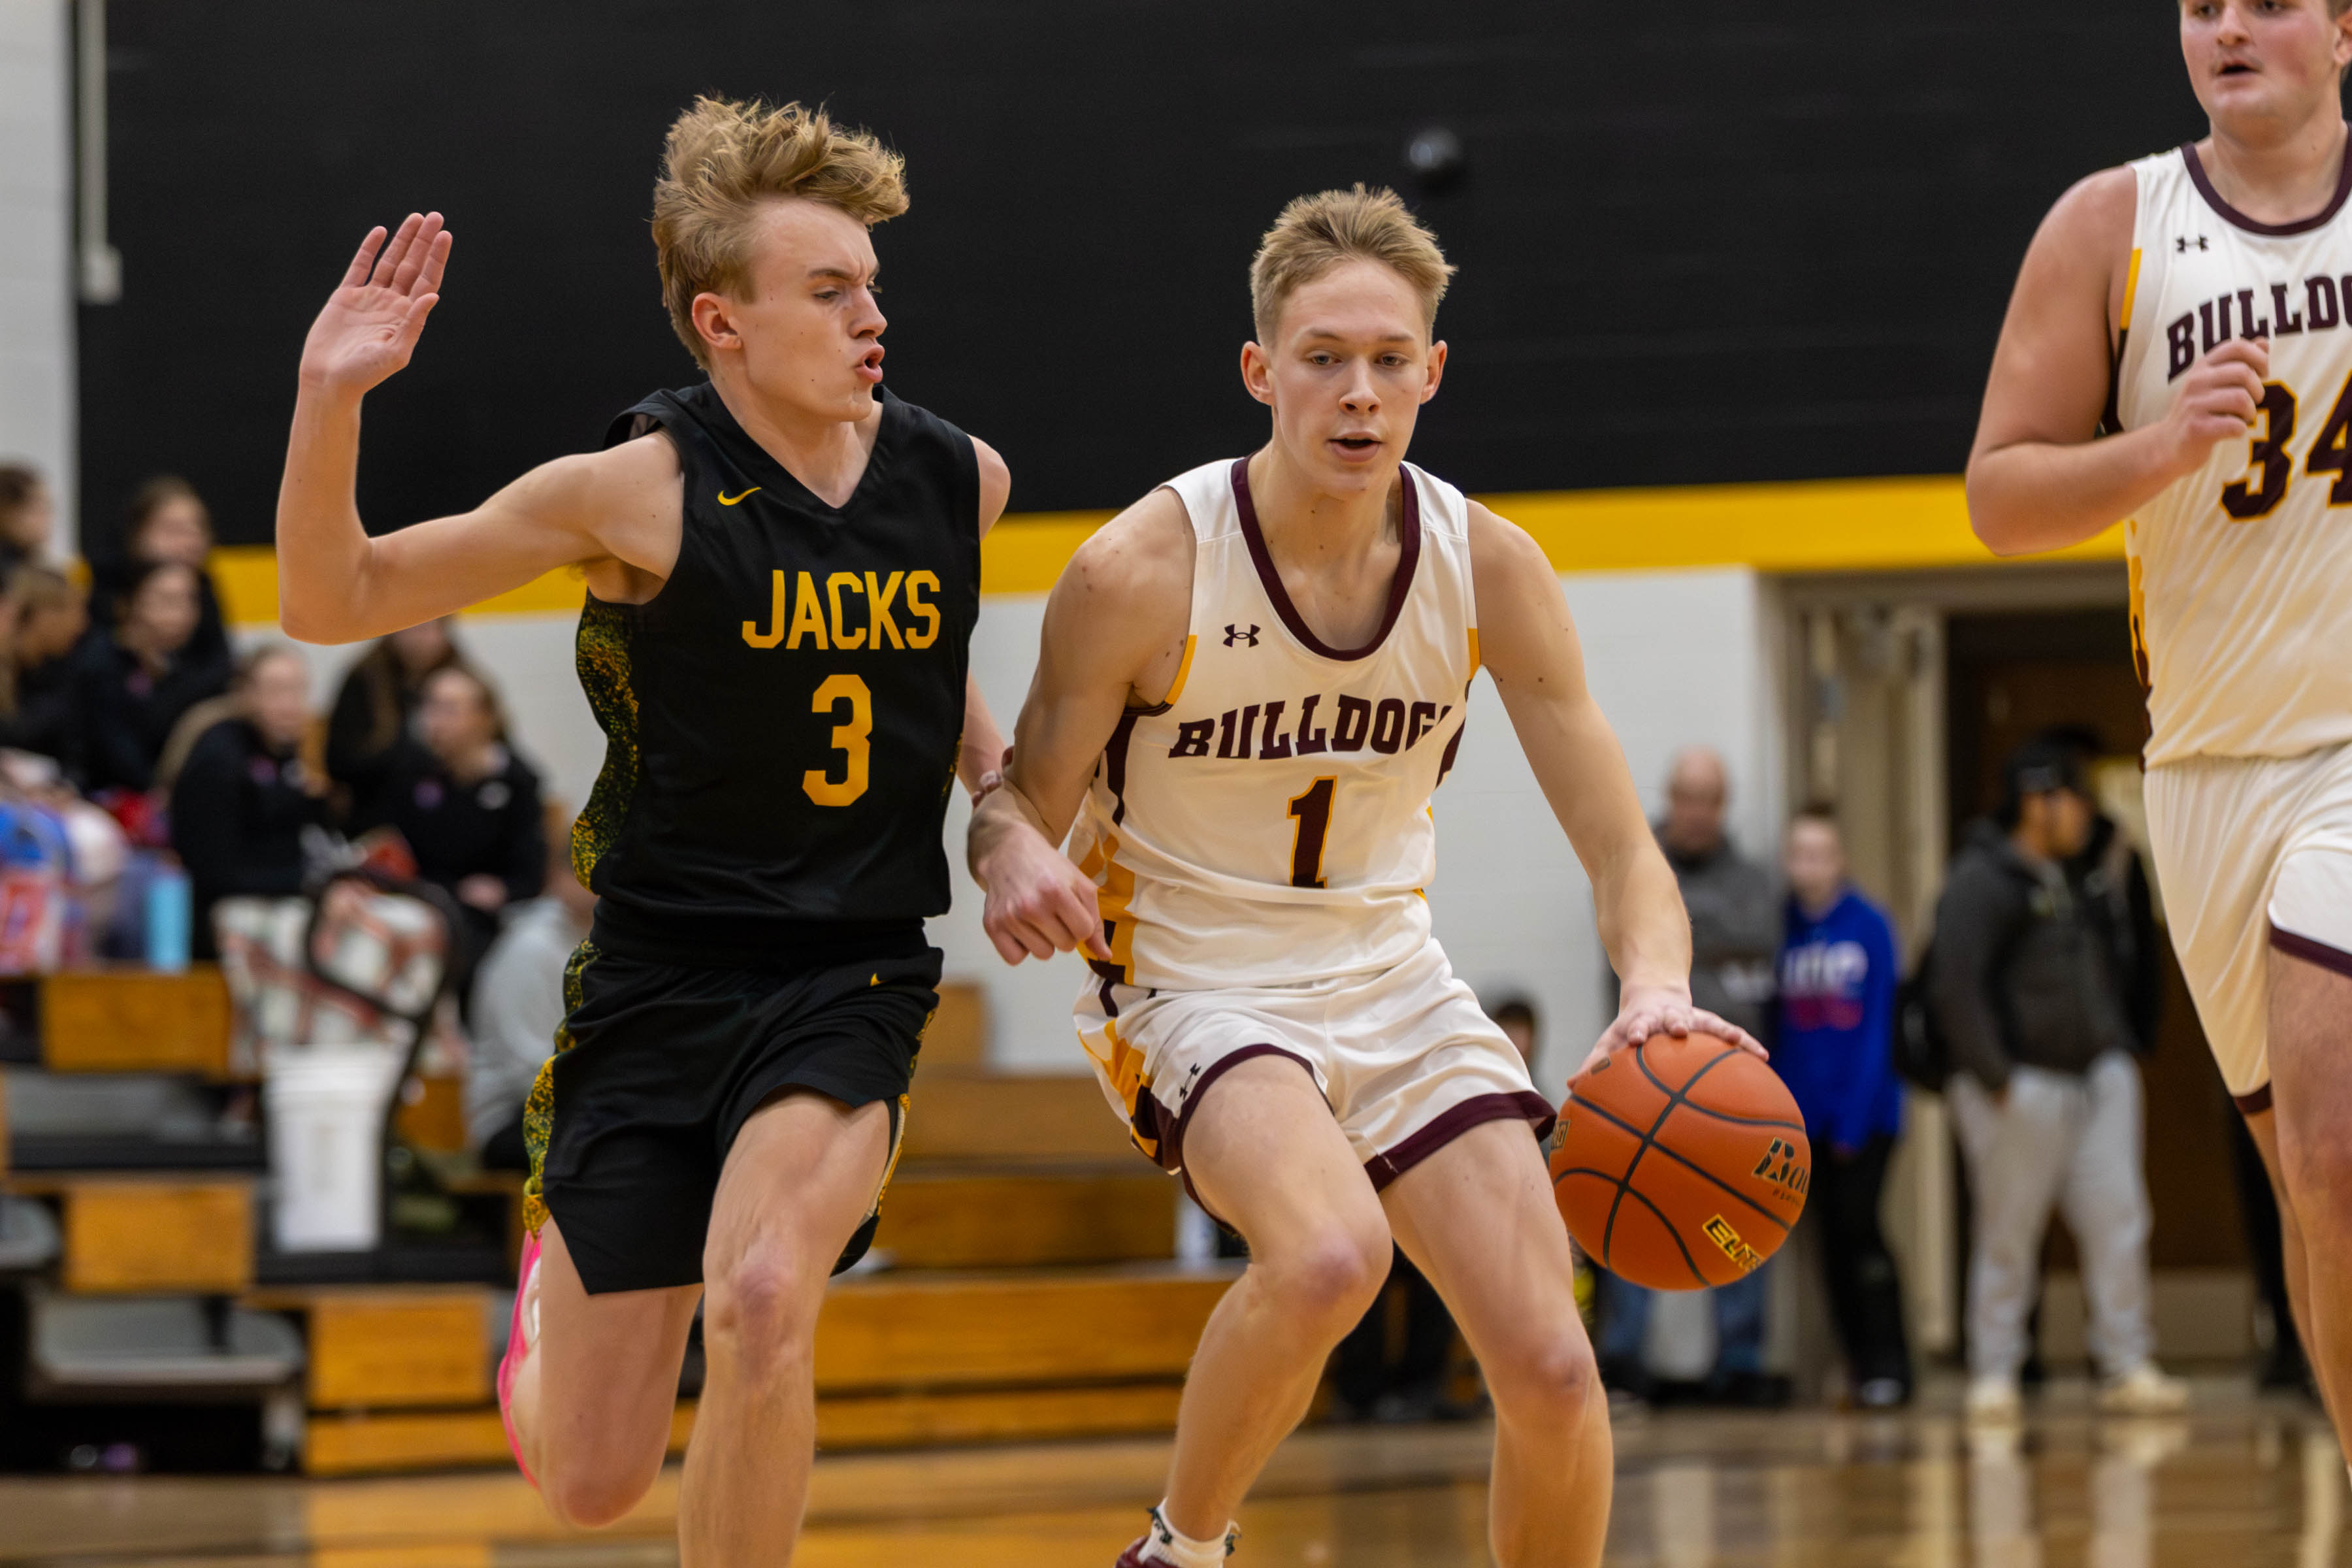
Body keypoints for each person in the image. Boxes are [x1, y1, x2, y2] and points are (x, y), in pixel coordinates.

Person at [968, 186, 1755, 1568]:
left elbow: (1624, 846)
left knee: (1558, 1371)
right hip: (1187, 979)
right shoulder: (1141, 568)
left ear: (1432, 374)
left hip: (1391, 973)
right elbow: (1015, 803)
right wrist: (1013, 850)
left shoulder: (1488, 565)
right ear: (1260, 372)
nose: (1358, 392)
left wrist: (1659, 988)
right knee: (1333, 1258)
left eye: (1391, 360)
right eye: (1324, 357)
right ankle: (1182, 1550)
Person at [273, 97, 1007, 1563]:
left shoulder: (955, 479)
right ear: (722, 323)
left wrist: (1009, 809)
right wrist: (330, 397)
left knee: (759, 1302)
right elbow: (330, 601)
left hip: (846, 979)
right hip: (656, 982)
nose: (874, 312)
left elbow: (925, 674)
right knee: (595, 1482)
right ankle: (546, 1314)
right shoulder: (633, 492)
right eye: (828, 288)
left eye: (869, 280)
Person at [1967, 0, 2352, 1437]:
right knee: (2314, 1196)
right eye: (2202, 7)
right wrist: (2159, 446)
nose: (2228, 29)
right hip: (2204, 774)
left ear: (2344, 27)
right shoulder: (2110, 224)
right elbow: (2001, 494)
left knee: (2340, 1149)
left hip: (2350, 755)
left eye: (2265, 2)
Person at [1928, 742, 2187, 1420]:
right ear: (2037, 799)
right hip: (2022, 1088)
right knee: (2008, 1232)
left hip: (2099, 1076)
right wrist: (1997, 1078)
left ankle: (2127, 1363)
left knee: (2120, 1221)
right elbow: (1953, 986)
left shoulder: (2079, 877)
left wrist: (2124, 1050)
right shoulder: (1981, 879)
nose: (2083, 813)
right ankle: (1995, 1372)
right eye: (2073, 797)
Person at [1595, 745, 1782, 1407]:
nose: (1695, 811)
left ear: (1722, 806)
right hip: (1647, 1083)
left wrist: (1689, 935)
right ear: (1670, 797)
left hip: (1731, 1090)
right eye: (1686, 796)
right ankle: (1622, 1360)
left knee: (1739, 1219)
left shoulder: (1755, 880)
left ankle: (1740, 1359)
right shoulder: (1637, 868)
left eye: (1708, 798)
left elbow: (1759, 939)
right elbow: (1626, 948)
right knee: (1632, 1216)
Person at [1773, 805, 1911, 1409]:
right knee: (1828, 1244)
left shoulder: (1870, 926)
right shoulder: (1780, 926)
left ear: (1841, 859)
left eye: (1820, 854)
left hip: (1867, 1117)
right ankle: (1856, 1364)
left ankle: (1891, 1364)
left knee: (1863, 1234)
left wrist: (1854, 1120)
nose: (1810, 866)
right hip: (1802, 1122)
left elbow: (1879, 1030)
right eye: (1799, 854)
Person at [348, 664, 546, 950]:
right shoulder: (414, 772)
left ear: (484, 718)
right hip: (420, 902)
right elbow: (389, 840)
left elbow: (531, 873)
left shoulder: (517, 783)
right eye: (430, 706)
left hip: (482, 919)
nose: (436, 721)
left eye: (449, 709)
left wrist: (503, 890)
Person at [167, 645, 329, 958]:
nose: (289, 705)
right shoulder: (219, 759)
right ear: (246, 695)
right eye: (276, 692)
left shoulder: (291, 753)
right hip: (222, 909)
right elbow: (215, 874)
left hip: (285, 893)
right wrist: (308, 883)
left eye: (298, 690)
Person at [470, 819, 598, 1173]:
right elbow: (530, 1072)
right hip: (513, 1118)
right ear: (557, 876)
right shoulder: (530, 947)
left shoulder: (608, 944)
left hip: (585, 1106)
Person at [73, 560, 229, 794]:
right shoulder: (103, 661)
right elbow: (116, 755)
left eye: (190, 600)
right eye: (167, 600)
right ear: (133, 602)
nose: (181, 613)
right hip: (104, 793)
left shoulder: (196, 662)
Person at [88, 477, 234, 687]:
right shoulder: (107, 588)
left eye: (198, 529)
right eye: (174, 530)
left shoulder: (204, 585)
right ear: (138, 534)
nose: (191, 542)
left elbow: (220, 667)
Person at [326, 617, 467, 789]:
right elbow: (339, 763)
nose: (419, 638)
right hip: (380, 795)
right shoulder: (364, 679)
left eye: (428, 627)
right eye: (411, 627)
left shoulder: (462, 680)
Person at [0, 566, 89, 774]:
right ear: (44, 615)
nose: (81, 625)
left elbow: (74, 753)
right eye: (74, 611)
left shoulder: (62, 669)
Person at [0, 465, 56, 571]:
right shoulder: (9, 576)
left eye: (49, 509)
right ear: (8, 511)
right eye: (38, 510)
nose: (47, 519)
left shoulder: (24, 564)